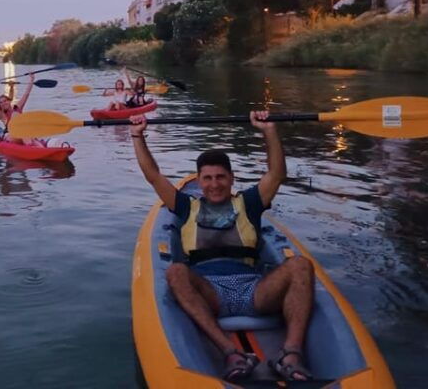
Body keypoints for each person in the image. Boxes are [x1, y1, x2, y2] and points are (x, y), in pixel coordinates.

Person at [129, 111, 314, 383]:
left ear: (231, 178)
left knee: (300, 264)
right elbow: (153, 176)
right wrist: (137, 135)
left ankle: (291, 354)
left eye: (220, 177)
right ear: (199, 181)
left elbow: (277, 173)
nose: (214, 184)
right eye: (208, 178)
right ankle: (231, 352)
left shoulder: (249, 203)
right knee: (176, 272)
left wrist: (269, 131)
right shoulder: (185, 206)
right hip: (210, 292)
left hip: (254, 290)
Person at [0, 73, 46, 146]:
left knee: (28, 133)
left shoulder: (18, 107)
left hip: (24, 134)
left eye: (5, 101)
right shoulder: (2, 115)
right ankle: (31, 147)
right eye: (1, 102)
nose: (3, 103)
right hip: (11, 137)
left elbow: (26, 94)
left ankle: (38, 148)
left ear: (9, 101)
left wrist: (32, 79)